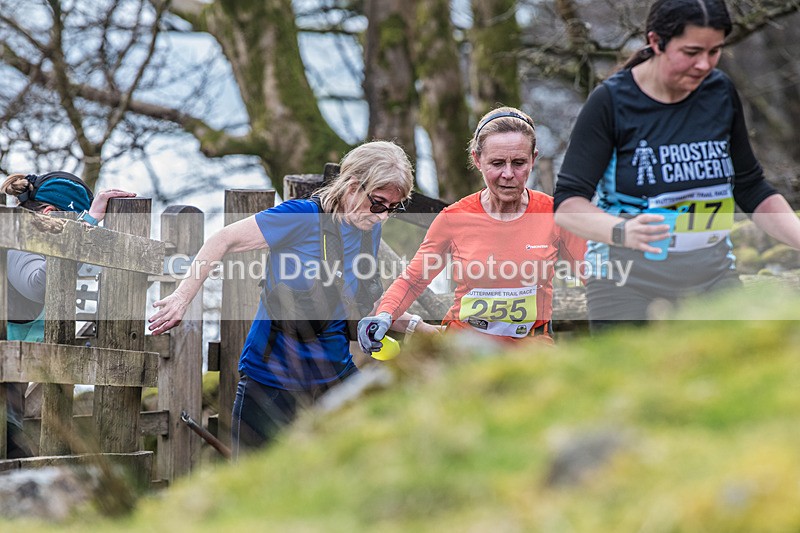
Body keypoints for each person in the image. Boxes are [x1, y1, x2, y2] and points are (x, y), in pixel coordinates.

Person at [148, 140, 432, 456]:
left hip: (334, 375)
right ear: (352, 186)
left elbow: (364, 305)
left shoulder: (368, 228)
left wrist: (424, 329)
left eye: (393, 209)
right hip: (271, 380)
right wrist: (181, 297)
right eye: (378, 204)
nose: (382, 217)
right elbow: (223, 239)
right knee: (255, 486)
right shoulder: (302, 216)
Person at [553, 0, 800, 331]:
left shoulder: (720, 92)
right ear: (656, 42)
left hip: (710, 276)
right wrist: (621, 231)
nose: (704, 64)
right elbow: (568, 204)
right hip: (626, 281)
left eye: (714, 52)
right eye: (691, 51)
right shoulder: (611, 102)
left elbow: (751, 186)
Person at [357, 106, 586, 353]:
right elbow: (413, 280)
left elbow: (596, 278)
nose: (508, 174)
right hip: (464, 347)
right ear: (477, 159)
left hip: (532, 350)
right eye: (497, 163)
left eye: (519, 163)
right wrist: (384, 315)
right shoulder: (453, 219)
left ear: (533, 159)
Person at [2, 171, 135, 458]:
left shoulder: (47, 248)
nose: (86, 232)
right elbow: (40, 286)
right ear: (49, 213)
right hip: (14, 382)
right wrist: (87, 224)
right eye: (78, 223)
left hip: (31, 379)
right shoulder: (20, 245)